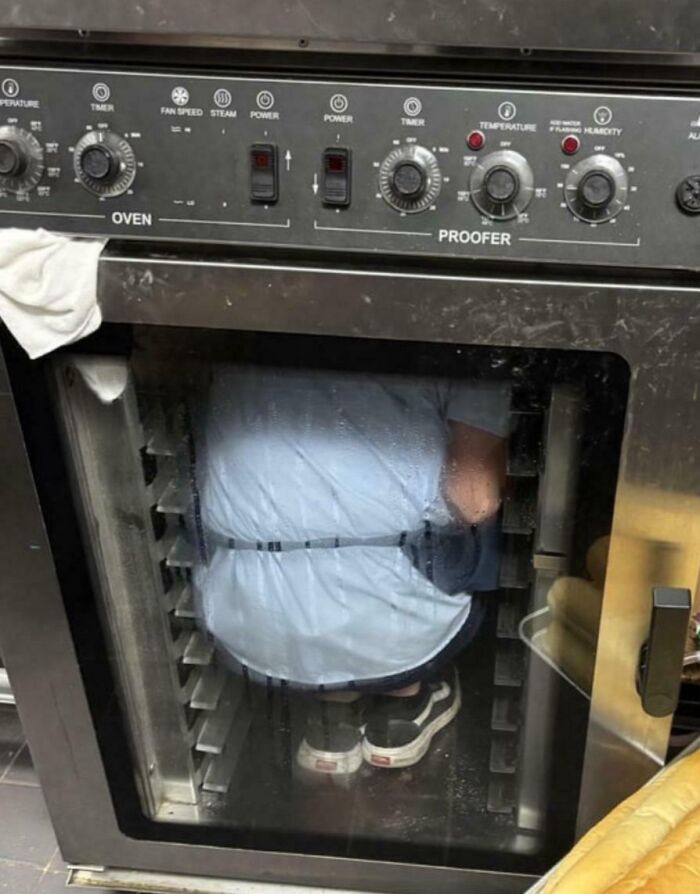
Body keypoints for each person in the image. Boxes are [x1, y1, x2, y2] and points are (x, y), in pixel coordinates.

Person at [193, 364, 509, 774]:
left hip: (252, 631)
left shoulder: (239, 322)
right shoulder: (467, 342)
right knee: (474, 520)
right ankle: (406, 700)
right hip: (405, 640)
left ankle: (333, 711)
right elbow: (474, 500)